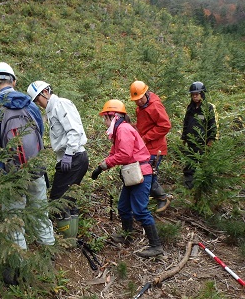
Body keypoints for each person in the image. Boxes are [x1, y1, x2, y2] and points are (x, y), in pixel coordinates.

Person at [0, 62, 55, 252]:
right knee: (41, 212)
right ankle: (49, 251)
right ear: (14, 81)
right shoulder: (31, 106)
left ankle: (18, 263)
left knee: (14, 218)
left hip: (10, 174)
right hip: (36, 169)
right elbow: (40, 133)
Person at [91, 99, 163, 258]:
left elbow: (124, 155)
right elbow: (115, 152)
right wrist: (103, 165)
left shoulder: (123, 129)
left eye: (105, 117)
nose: (104, 121)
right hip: (132, 173)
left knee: (140, 210)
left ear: (113, 116)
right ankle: (127, 236)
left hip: (140, 173)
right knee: (123, 206)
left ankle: (156, 246)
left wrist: (104, 166)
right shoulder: (119, 130)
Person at [27, 81, 89, 239]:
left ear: (46, 92)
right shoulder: (51, 110)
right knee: (68, 199)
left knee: (57, 200)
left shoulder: (60, 104)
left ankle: (67, 240)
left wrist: (68, 154)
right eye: (35, 101)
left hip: (73, 157)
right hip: (70, 157)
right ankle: (71, 239)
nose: (38, 103)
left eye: (38, 99)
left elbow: (74, 130)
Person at [129, 81, 172, 213]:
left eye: (140, 98)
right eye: (136, 100)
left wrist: (145, 138)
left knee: (148, 174)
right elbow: (144, 126)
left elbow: (165, 125)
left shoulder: (155, 106)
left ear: (146, 94)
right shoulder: (140, 108)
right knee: (148, 173)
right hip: (146, 148)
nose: (139, 102)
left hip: (155, 148)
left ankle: (162, 198)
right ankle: (152, 196)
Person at [182, 81, 218, 189]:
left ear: (202, 94)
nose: (194, 96)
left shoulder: (209, 107)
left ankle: (206, 187)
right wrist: (184, 137)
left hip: (204, 142)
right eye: (193, 94)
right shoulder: (190, 108)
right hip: (191, 142)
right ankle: (189, 186)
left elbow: (213, 124)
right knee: (190, 164)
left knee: (205, 164)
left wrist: (211, 140)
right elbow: (186, 123)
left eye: (197, 94)